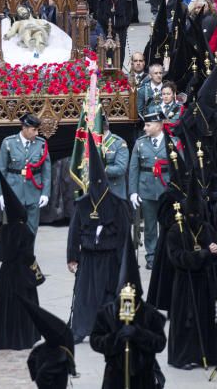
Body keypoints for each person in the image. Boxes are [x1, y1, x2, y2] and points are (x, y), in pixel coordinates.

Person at [67, 134, 129, 344]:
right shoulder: (83, 203)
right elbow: (74, 231)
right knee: (85, 294)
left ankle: (107, 327)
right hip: (88, 256)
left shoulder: (116, 203)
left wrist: (123, 261)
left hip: (109, 255)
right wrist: (72, 257)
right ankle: (80, 328)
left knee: (108, 294)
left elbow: (123, 235)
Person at [90, 231, 166, 388]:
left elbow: (160, 343)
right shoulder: (107, 313)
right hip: (114, 377)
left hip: (143, 378)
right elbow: (95, 341)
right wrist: (116, 338)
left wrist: (138, 334)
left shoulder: (150, 314)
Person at [167, 170, 217, 369]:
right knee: (185, 321)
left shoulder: (206, 228)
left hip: (204, 282)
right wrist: (203, 254)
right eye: (191, 214)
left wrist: (216, 251)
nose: (194, 217)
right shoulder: (176, 230)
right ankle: (182, 356)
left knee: (205, 318)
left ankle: (205, 354)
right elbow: (177, 257)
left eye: (197, 214)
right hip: (185, 282)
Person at [0, 172, 41, 350]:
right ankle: (24, 338)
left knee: (4, 309)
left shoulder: (4, 231)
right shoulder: (25, 231)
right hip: (22, 273)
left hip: (6, 274)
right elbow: (28, 255)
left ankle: (3, 338)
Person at [0, 113, 51, 237]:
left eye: (38, 130)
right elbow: (1, 170)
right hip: (13, 191)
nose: (37, 133)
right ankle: (12, 256)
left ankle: (28, 255)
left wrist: (45, 193)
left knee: (31, 228)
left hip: (33, 191)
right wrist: (1, 194)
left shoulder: (41, 144)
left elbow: (46, 171)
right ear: (25, 128)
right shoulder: (8, 143)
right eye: (34, 130)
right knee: (11, 227)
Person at [129, 112, 170, 270]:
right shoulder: (140, 143)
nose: (145, 128)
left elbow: (177, 168)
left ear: (159, 125)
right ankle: (152, 256)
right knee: (150, 227)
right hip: (146, 190)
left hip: (165, 190)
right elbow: (134, 169)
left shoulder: (171, 142)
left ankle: (166, 255)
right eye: (145, 125)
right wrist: (133, 191)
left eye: (148, 125)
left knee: (166, 224)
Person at [100, 112, 129, 200]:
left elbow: (121, 168)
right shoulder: (90, 142)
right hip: (96, 190)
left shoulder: (118, 142)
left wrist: (99, 170)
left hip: (114, 190)